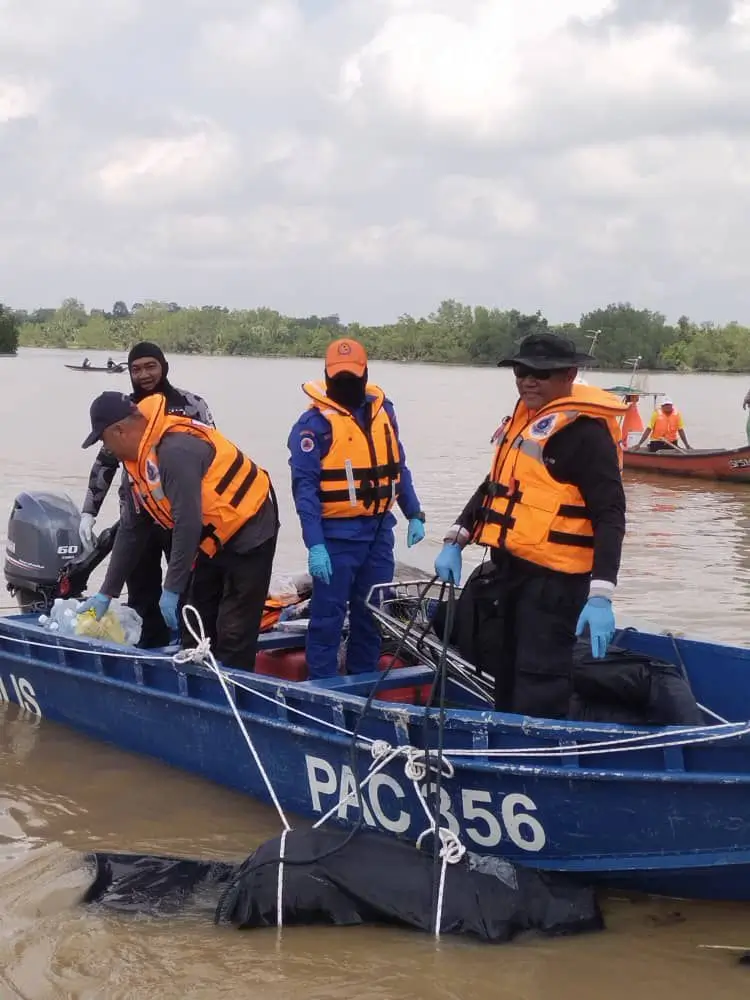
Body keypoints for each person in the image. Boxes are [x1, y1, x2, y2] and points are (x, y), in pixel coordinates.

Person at [433, 331, 628, 719]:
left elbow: (610, 515)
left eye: (542, 373)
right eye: (521, 371)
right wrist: (457, 537)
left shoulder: (586, 435)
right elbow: (495, 486)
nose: (528, 380)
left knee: (540, 681)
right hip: (510, 572)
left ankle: (541, 764)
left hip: (555, 586)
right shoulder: (525, 423)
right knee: (500, 667)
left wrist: (601, 593)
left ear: (569, 374)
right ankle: (503, 744)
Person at [78, 391, 279, 671]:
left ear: (119, 430)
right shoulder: (137, 466)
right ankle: (191, 693)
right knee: (195, 622)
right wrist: (106, 593)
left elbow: (187, 522)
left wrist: (171, 588)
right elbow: (131, 528)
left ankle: (230, 701)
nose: (105, 448)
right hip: (212, 538)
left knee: (234, 630)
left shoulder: (173, 450)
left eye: (103, 440)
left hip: (250, 528)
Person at [287, 338, 425, 679]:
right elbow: (304, 490)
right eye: (339, 377)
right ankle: (323, 684)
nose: (346, 383)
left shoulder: (384, 412)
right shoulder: (312, 427)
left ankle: (364, 679)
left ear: (365, 375)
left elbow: (398, 466)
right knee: (328, 614)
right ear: (326, 376)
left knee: (373, 612)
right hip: (336, 538)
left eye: (352, 376)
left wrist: (414, 513)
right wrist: (315, 543)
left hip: (379, 532)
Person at [79, 342, 214, 647]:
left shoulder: (191, 405)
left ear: (164, 366)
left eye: (150, 366)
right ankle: (148, 654)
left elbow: (213, 457)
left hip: (182, 515)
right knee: (142, 593)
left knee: (188, 590)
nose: (144, 375)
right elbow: (105, 461)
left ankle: (190, 650)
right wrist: (90, 511)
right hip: (139, 514)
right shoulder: (122, 411)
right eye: (136, 369)